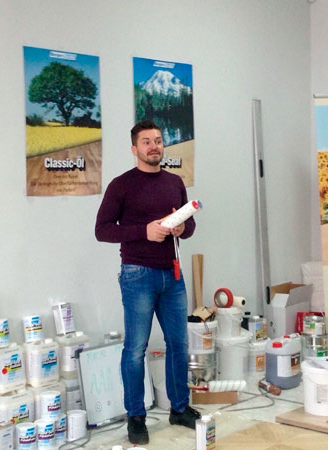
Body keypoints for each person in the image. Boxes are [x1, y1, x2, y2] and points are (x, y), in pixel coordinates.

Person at [95, 119, 200, 445]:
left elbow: (190, 225)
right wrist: (144, 231)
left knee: (179, 345)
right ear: (134, 149)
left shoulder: (174, 182)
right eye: (146, 142)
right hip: (137, 275)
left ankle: (179, 408)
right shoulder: (121, 185)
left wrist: (182, 228)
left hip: (173, 275)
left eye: (157, 140)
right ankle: (136, 417)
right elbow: (102, 230)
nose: (154, 146)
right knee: (135, 349)